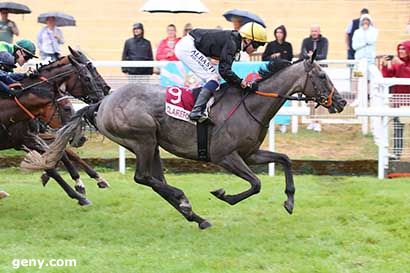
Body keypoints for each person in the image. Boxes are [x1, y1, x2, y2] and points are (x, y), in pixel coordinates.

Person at [175, 22, 267, 122]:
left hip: (190, 45)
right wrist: (241, 82)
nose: (256, 49)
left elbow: (225, 70)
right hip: (187, 47)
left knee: (215, 78)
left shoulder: (235, 41)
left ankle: (203, 107)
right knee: (213, 78)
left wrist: (239, 82)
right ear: (247, 40)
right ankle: (196, 111)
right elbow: (224, 70)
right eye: (255, 44)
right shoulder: (232, 43)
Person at [381, 40, 410, 159]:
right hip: (399, 100)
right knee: (398, 128)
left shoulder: (402, 64)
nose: (401, 51)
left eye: (403, 49)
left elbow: (407, 74)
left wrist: (400, 64)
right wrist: (385, 65)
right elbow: (388, 75)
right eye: (399, 49)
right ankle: (396, 153)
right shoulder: (398, 63)